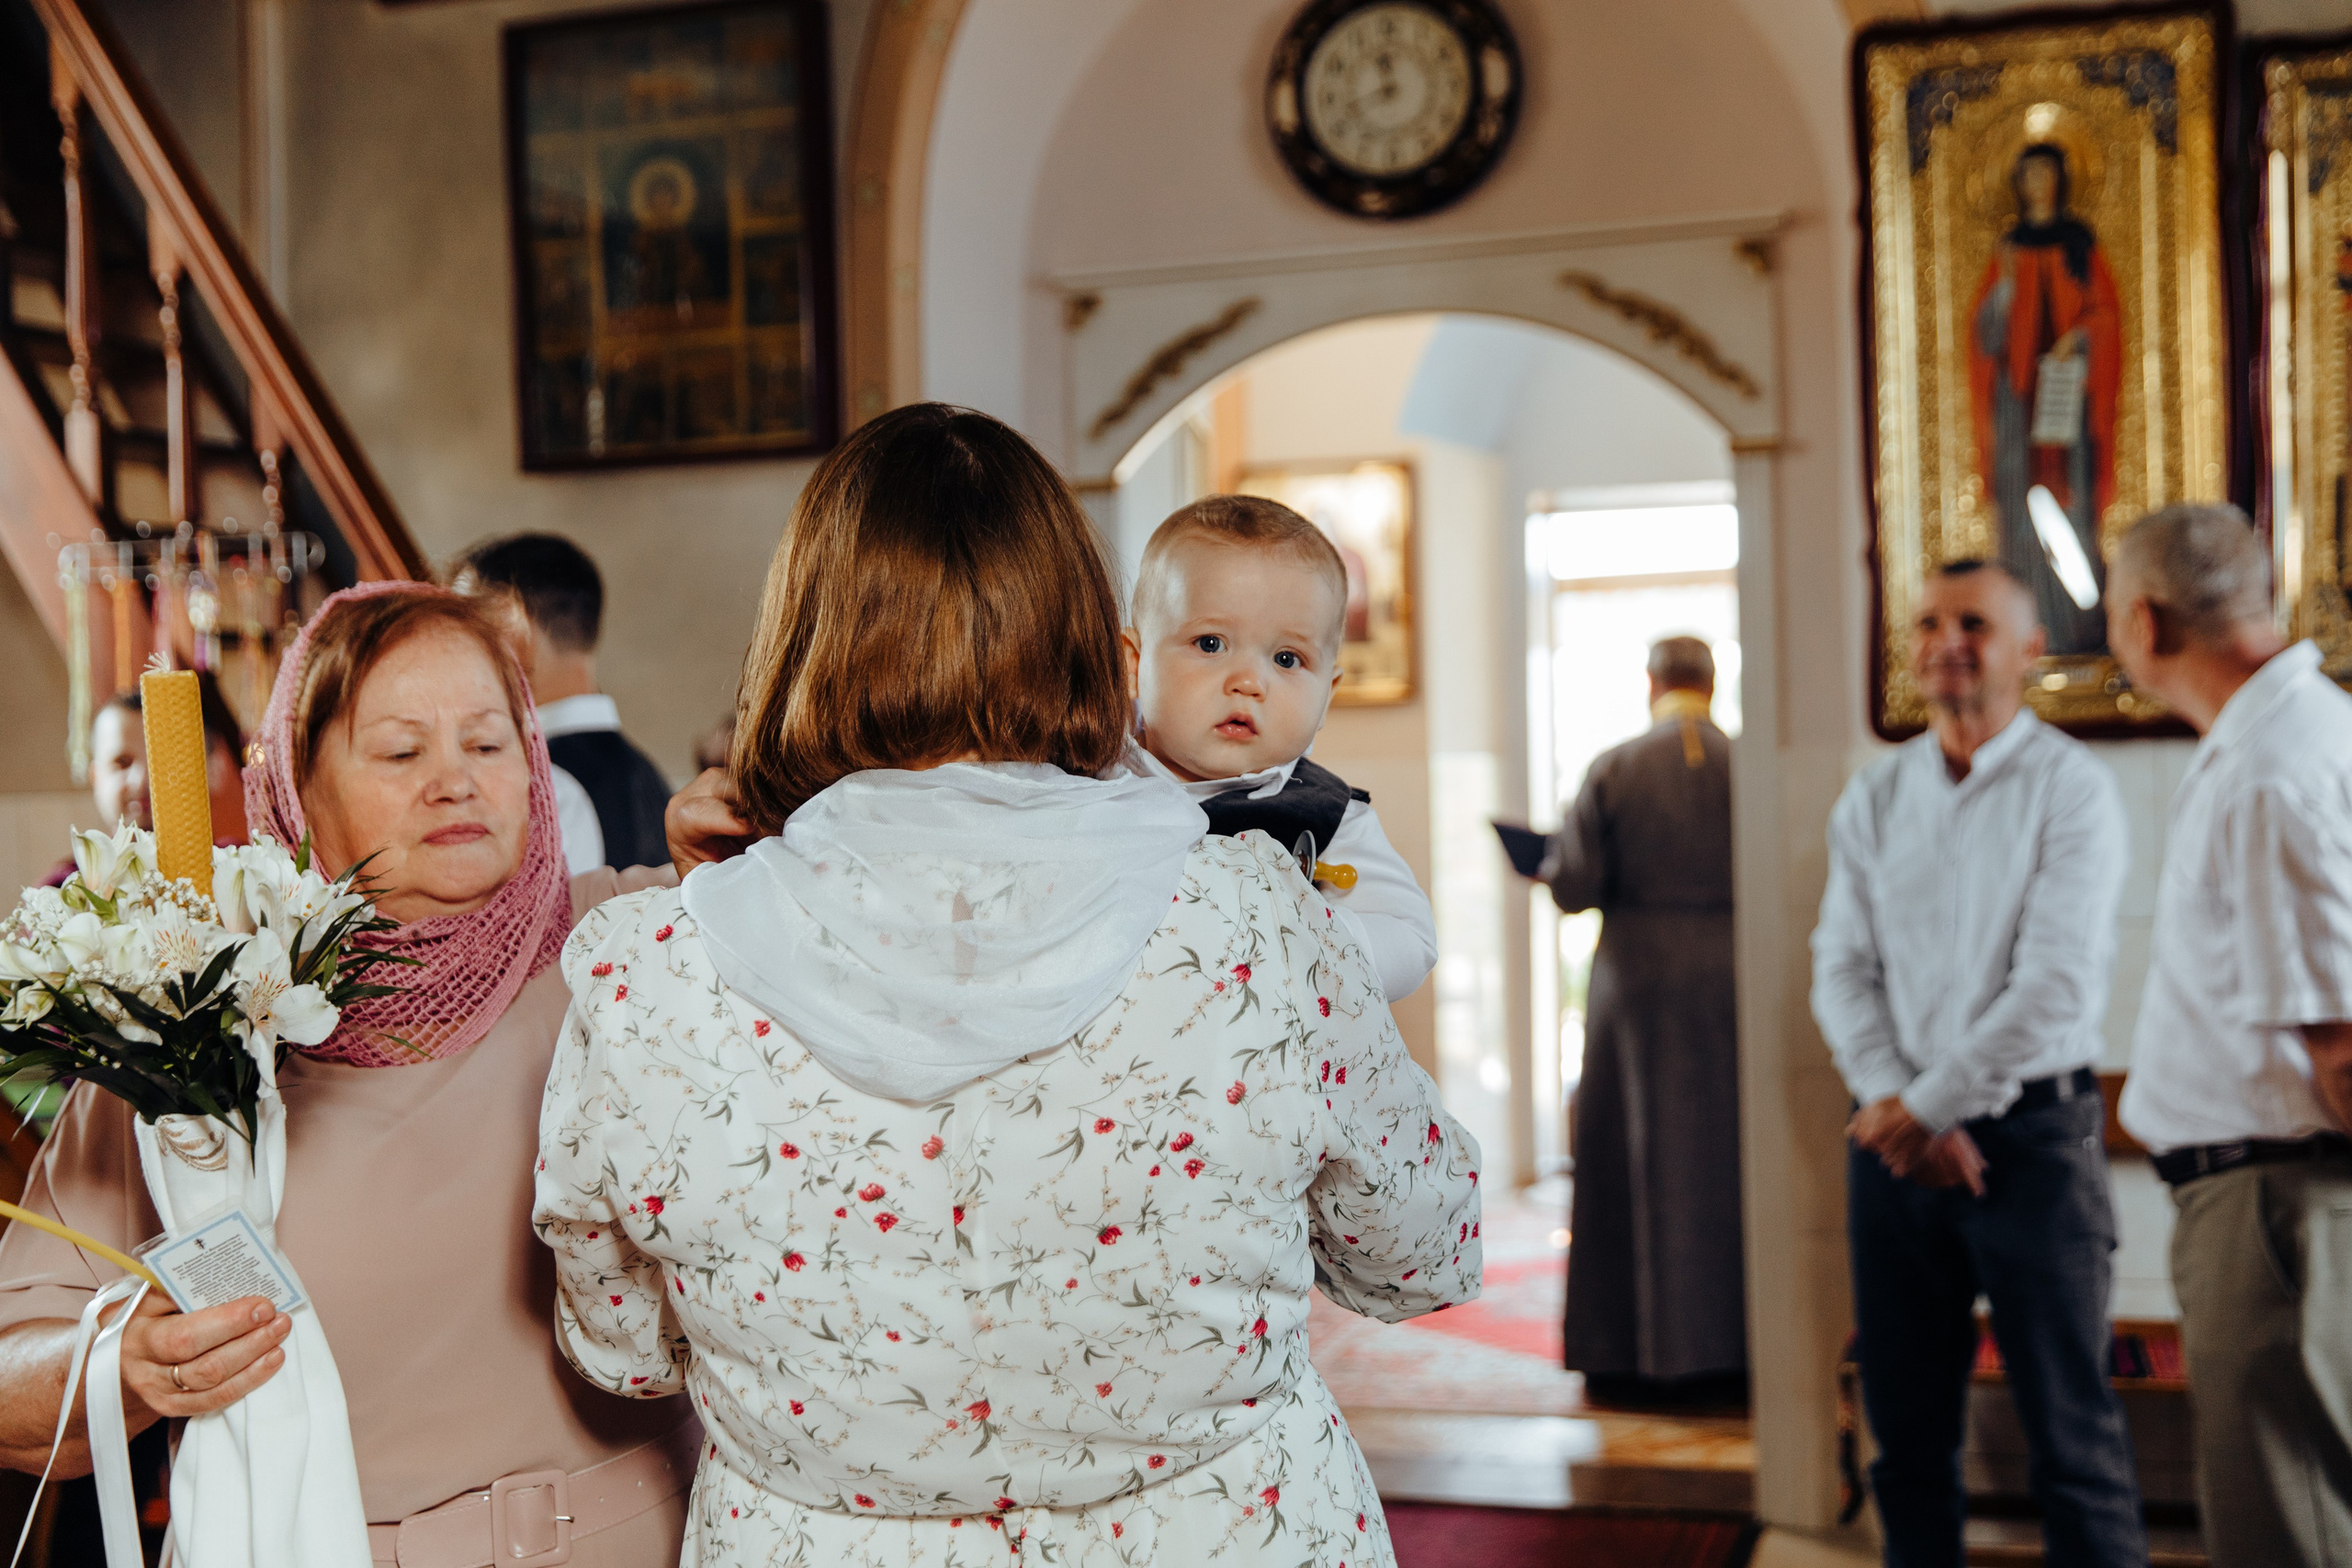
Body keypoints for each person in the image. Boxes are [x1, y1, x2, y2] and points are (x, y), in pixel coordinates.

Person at [535, 403, 1482, 1567]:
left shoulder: (650, 969)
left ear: (803, 643)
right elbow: (1421, 1249)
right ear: (1092, 644)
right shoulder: (1258, 918)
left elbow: (623, 1345)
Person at [0, 583, 692, 1565]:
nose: (455, 782)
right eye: (402, 752)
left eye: (488, 744)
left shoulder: (635, 942)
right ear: (297, 786)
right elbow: (13, 1376)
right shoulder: (185, 1019)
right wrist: (125, 1363)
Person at [1811, 559, 2144, 1568]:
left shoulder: (2071, 787)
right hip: (1893, 1147)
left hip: (2035, 1140)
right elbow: (1840, 968)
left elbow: (2053, 986)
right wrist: (1899, 1105)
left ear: (2029, 649)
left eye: (1974, 624)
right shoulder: (1875, 795)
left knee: (2073, 1442)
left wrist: (1925, 1107)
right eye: (1928, 623)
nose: (1945, 643)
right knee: (1906, 1440)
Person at [2108, 503, 2352, 1568]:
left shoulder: (2270, 769)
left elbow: (2340, 1041)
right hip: (2282, 1197)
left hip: (2275, 1205)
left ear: (2146, 622)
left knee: (2284, 1527)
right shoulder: (2298, 730)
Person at [1122, 495, 1436, 1001]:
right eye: (1210, 644)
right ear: (1134, 665)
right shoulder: (1088, 779)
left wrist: (1301, 935)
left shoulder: (1329, 816)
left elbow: (1412, 940)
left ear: (1327, 696)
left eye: (1287, 659)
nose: (1249, 682)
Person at [1536, 635, 1744, 1400]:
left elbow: (1575, 884)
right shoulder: (1748, 763)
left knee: (1630, 1156)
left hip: (1638, 985)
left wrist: (1545, 860)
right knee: (1726, 1159)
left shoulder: (1615, 766)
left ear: (1652, 683)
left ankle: (1626, 1355)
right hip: (1735, 978)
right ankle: (1734, 1349)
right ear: (1711, 684)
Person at [1969, 142, 2121, 656]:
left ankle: (2077, 628)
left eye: (2046, 172)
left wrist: (2078, 337)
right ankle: (2026, 626)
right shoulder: (2009, 250)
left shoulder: (2079, 246)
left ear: (2060, 179)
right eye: (2028, 174)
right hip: (2017, 406)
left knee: (2070, 504)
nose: (2037, 183)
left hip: (2066, 402)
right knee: (2021, 515)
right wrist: (2007, 287)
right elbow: (1985, 335)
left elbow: (2105, 315)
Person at [454, 532, 672, 874]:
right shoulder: (651, 778)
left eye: (463, 628)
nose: (452, 653)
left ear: (515, 627)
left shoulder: (535, 782)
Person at [49, 671, 249, 885]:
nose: (142, 780)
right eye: (122, 762)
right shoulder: (64, 889)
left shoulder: (241, 871)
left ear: (212, 772)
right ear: (96, 778)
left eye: (164, 761)